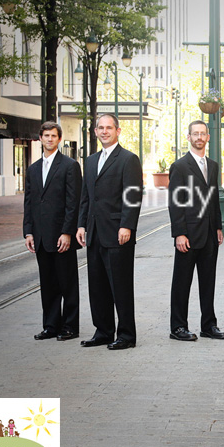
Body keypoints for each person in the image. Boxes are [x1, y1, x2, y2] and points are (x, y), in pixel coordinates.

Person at [77, 113, 143, 350]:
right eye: (100, 128)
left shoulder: (128, 159)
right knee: (98, 286)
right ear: (95, 132)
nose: (104, 131)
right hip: (94, 233)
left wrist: (127, 225)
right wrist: (81, 225)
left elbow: (133, 196)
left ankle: (126, 335)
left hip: (118, 233)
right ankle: (103, 331)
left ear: (118, 130)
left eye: (109, 128)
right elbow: (86, 197)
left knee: (121, 286)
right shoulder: (91, 161)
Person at [167, 120, 224, 342]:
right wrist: (179, 233)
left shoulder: (212, 165)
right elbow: (176, 202)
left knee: (208, 282)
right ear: (189, 137)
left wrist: (219, 227)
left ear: (207, 138)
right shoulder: (180, 166)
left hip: (210, 235)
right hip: (188, 236)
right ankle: (178, 327)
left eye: (203, 134)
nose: (199, 137)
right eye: (195, 134)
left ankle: (208, 325)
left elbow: (213, 199)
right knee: (182, 283)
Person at [23, 121, 82, 341]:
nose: (49, 139)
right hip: (39, 237)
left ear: (59, 139)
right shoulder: (32, 169)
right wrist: (28, 232)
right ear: (40, 138)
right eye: (46, 135)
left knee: (67, 283)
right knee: (47, 284)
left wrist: (67, 232)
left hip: (61, 236)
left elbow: (73, 202)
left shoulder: (69, 166)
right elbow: (29, 202)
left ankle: (70, 327)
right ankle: (50, 326)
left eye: (53, 136)